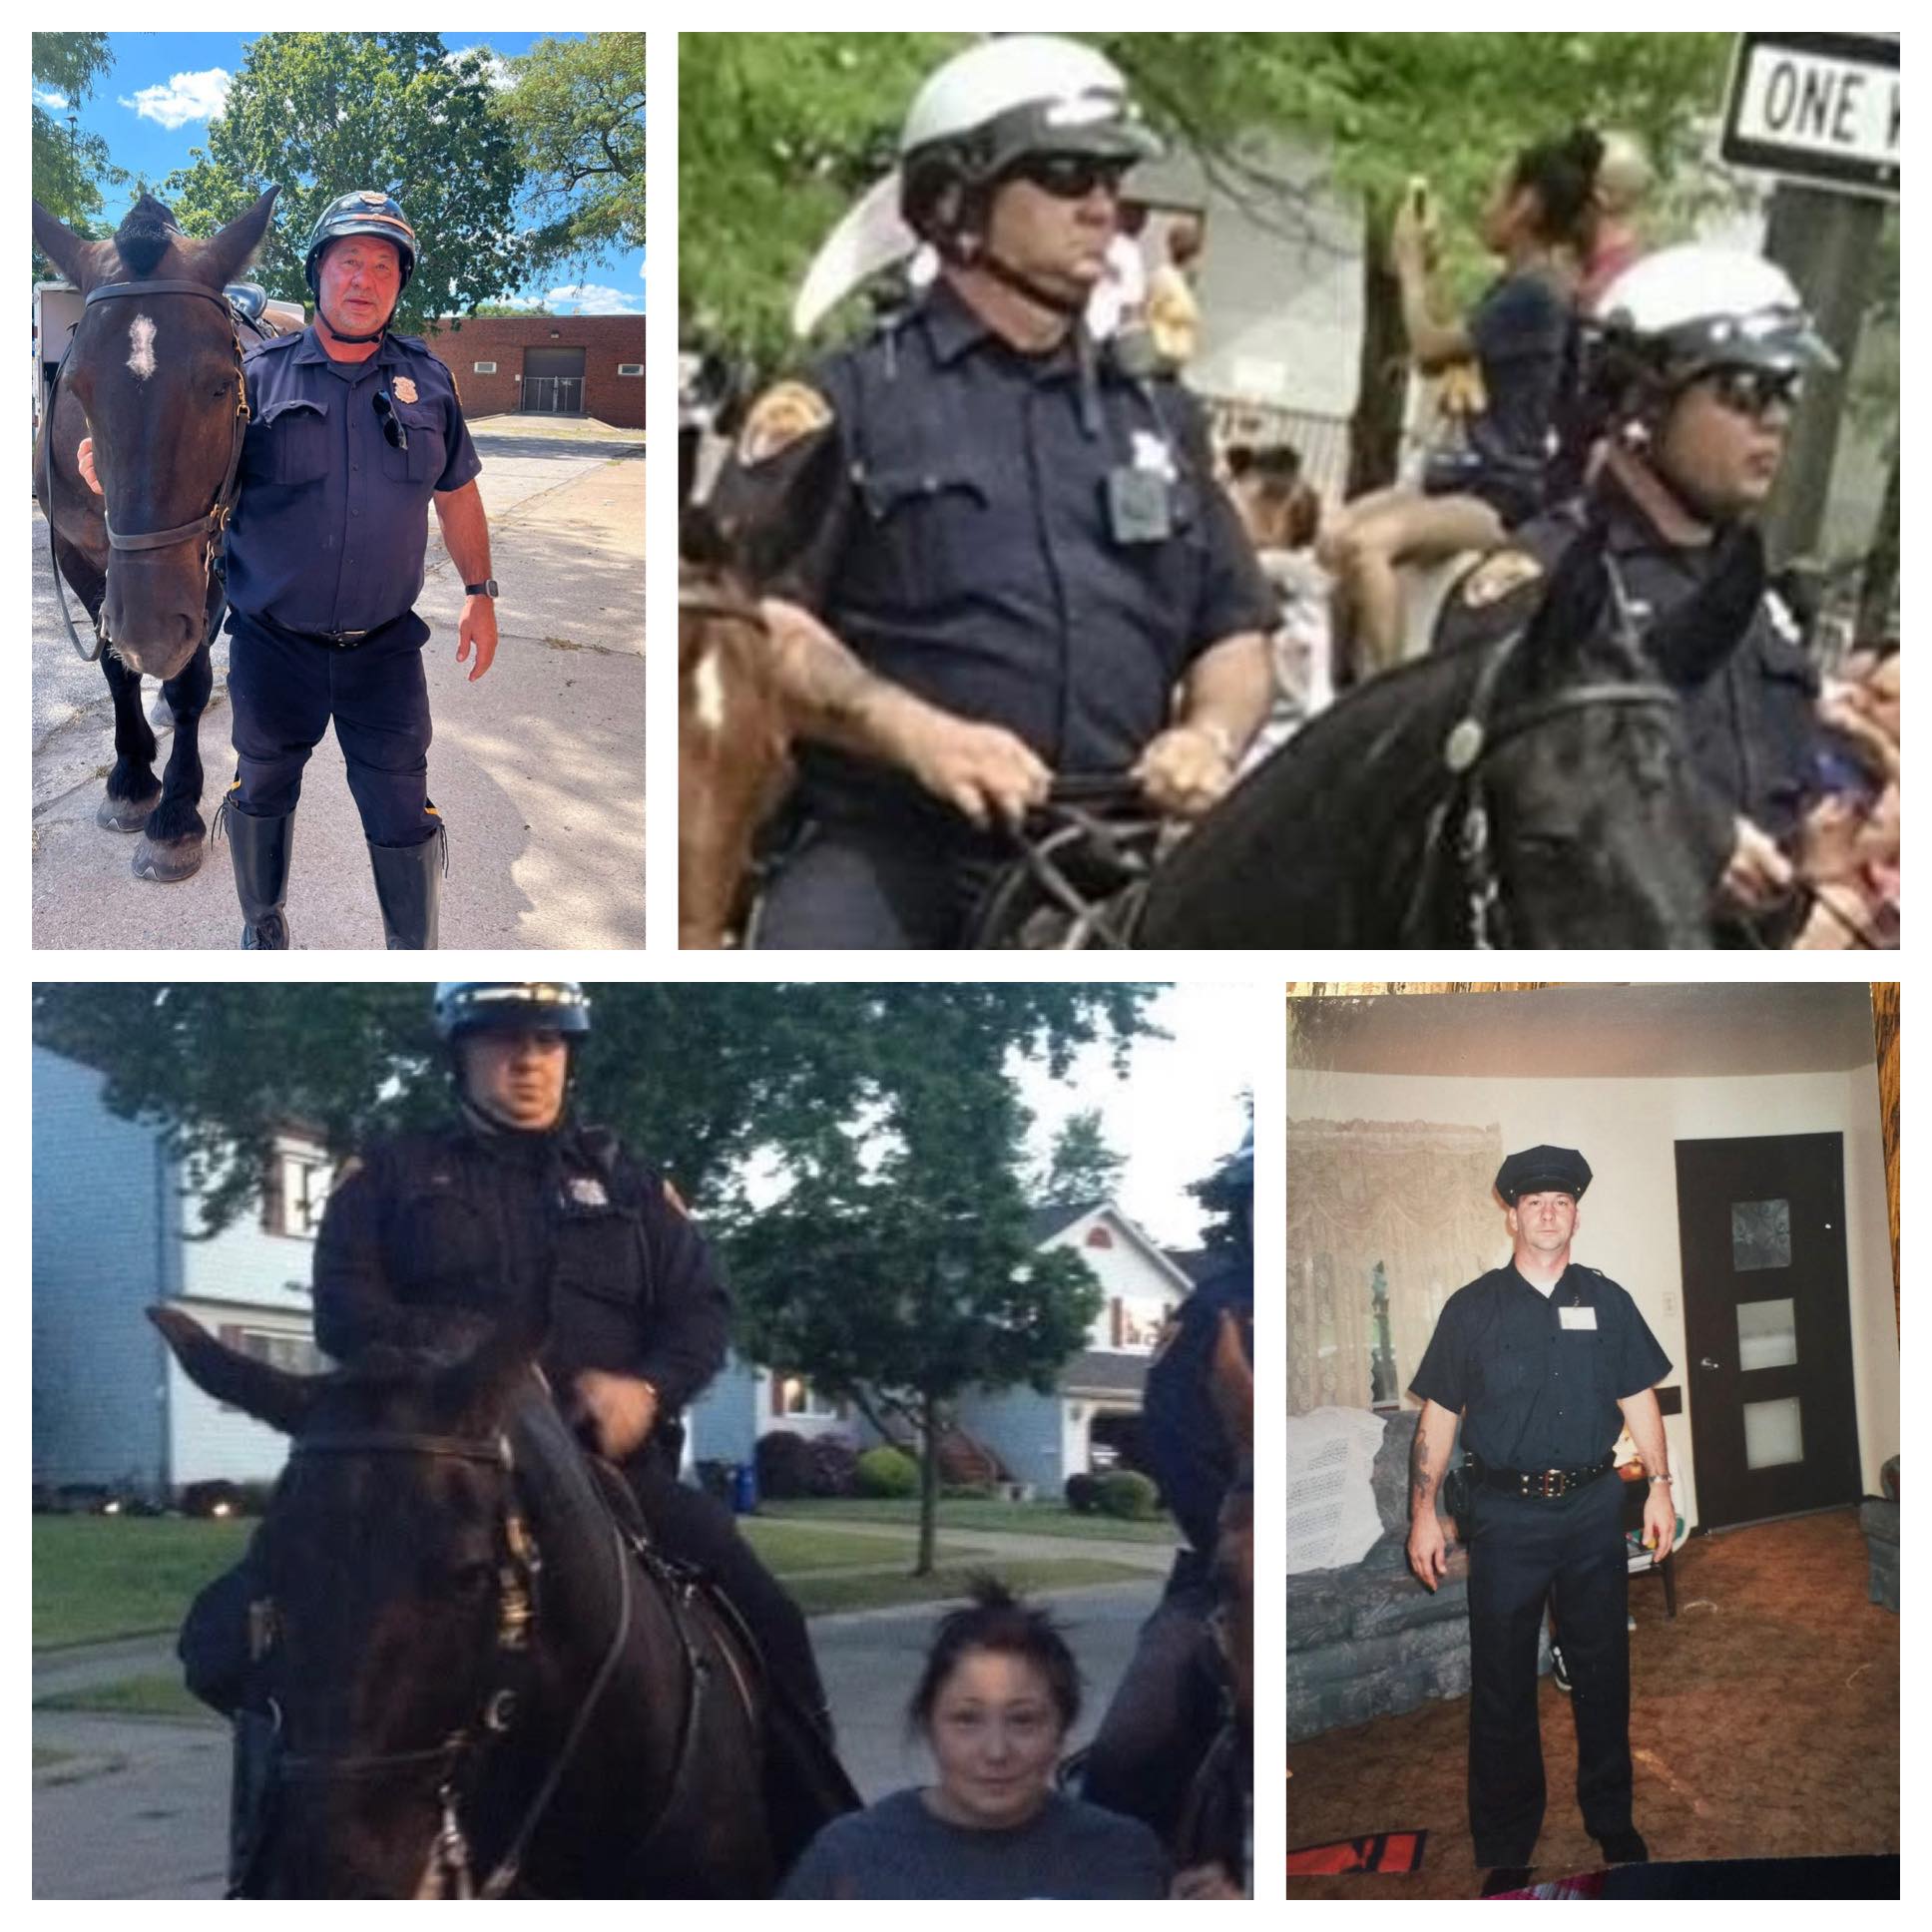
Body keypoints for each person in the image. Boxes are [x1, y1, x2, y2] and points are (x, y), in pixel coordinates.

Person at [710, 35, 1274, 949]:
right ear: (954, 202)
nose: (1103, 206)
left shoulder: (1161, 414)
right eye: (1063, 174)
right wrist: (919, 735)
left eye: (1112, 176)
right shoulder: (843, 398)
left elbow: (1236, 632)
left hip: (1118, 850)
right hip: (895, 848)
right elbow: (745, 623)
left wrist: (1208, 737)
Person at [307, 981, 834, 1752]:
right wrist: (476, 1370)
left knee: (769, 1619)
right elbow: (344, 1311)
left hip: (614, 1482)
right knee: (272, 1634)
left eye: (548, 1041)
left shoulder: (631, 1183)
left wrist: (647, 1391)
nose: (528, 1060)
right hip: (444, 1483)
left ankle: (822, 1830)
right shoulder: (390, 1177)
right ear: (460, 1051)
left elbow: (701, 1311)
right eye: (503, 1039)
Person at [84, 192, 499, 949]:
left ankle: (413, 956)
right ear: (317, 273)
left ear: (400, 284)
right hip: (276, 650)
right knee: (263, 793)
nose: (364, 281)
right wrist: (113, 467)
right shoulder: (253, 380)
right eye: (349, 263)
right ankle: (262, 929)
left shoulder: (429, 383)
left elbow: (458, 492)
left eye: (383, 266)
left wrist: (480, 592)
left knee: (402, 811)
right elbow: (183, 463)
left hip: (386, 651)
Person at [1433, 244, 1841, 944]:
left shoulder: (1755, 600)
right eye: (1745, 388)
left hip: (1763, 997)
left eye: (1786, 392)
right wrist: (1701, 839)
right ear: (1642, 398)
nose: (1773, 419)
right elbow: (1497, 818)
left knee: (1892, 1043)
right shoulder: (1543, 587)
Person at [1406, 1146, 1675, 1895]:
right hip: (1504, 1514)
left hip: (1593, 1508)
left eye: (1561, 1200)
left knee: (1603, 1670)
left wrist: (1660, 1486)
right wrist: (1422, 1513)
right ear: (1512, 1214)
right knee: (1500, 1682)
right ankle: (1505, 1839)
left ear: (1576, 1213)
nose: (1548, 1212)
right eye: (1534, 1202)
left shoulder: (1609, 1300)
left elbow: (1638, 1399)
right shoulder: (1471, 1309)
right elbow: (1438, 1416)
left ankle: (1611, 1818)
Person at [1319, 130, 1603, 675]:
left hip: (1502, 491)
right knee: (1335, 538)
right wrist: (1428, 275)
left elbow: (1427, 348)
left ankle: (1388, 692)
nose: (1484, 206)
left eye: (1496, 193)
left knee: (1368, 548)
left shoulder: (1535, 293)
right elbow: (1453, 341)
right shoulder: (1518, 288)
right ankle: (1338, 684)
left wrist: (1408, 268)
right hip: (1462, 478)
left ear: (1525, 205)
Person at [1083, 1132, 1252, 1864]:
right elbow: (1174, 1440)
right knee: (1127, 1746)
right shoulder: (1212, 1311)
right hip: (1229, 1568)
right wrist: (1236, 1531)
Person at [781, 1580, 1170, 1898]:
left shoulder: (1122, 1858)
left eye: (1024, 1721)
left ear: (1061, 1732)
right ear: (930, 1725)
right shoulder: (850, 1858)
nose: (996, 1751)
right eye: (966, 1720)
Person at [1145, 216, 1204, 368]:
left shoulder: (1184, 282)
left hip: (1178, 360)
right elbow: (1148, 313)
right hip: (1163, 357)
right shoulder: (1165, 277)